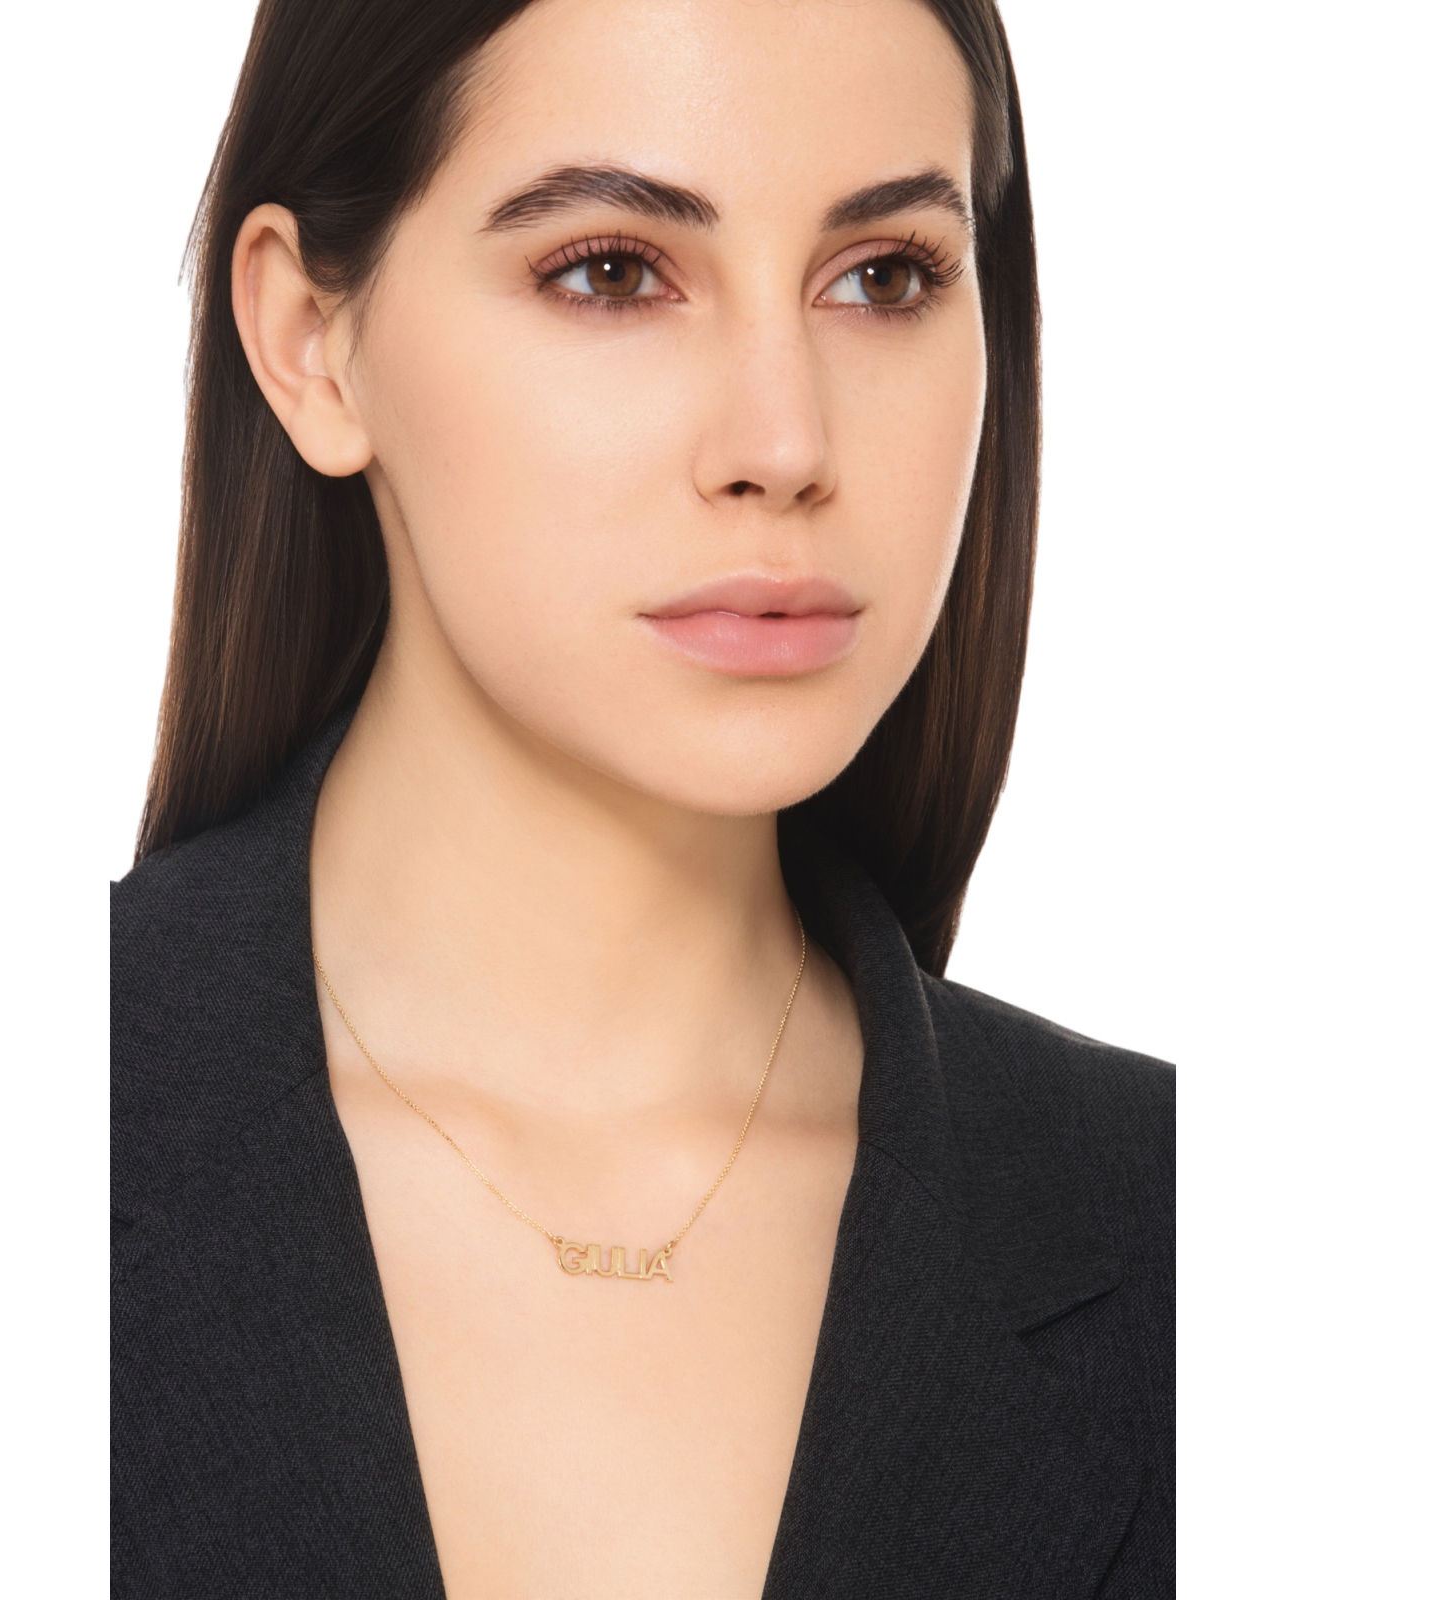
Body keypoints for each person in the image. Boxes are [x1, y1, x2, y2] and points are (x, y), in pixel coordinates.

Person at [111, 0, 1174, 1593]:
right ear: (310, 338)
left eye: (885, 277)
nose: (784, 443)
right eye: (612, 272)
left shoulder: (1205, 1251)